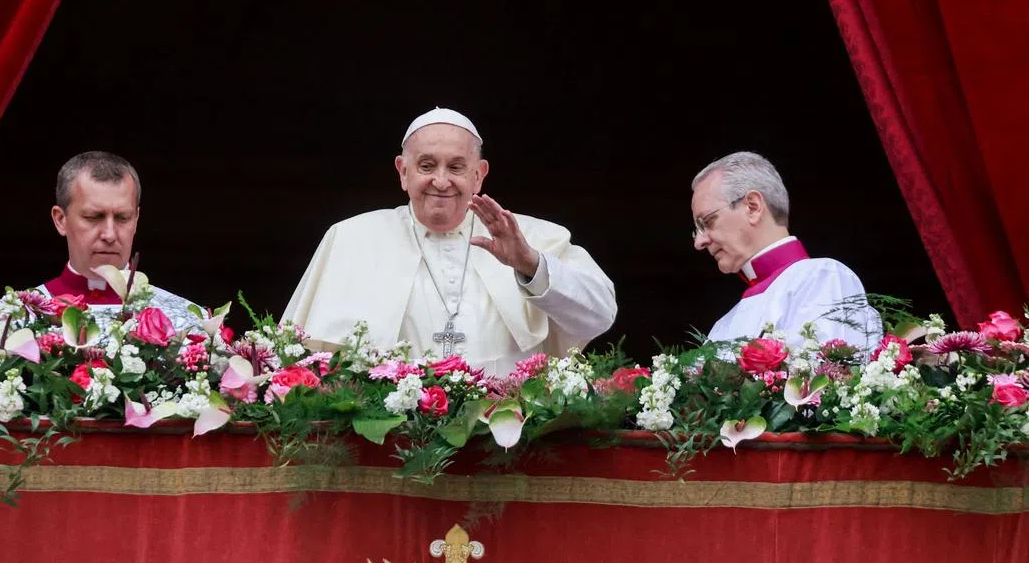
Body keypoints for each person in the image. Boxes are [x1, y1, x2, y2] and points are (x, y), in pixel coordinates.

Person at [283, 107, 617, 376]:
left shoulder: (532, 238)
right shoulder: (352, 238)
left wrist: (529, 264)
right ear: (403, 171)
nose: (440, 181)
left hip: (511, 444)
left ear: (479, 174)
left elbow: (600, 316)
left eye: (456, 167)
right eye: (427, 165)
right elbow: (296, 357)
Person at [690, 151, 882, 352]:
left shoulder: (823, 276)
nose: (699, 242)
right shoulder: (721, 327)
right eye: (697, 229)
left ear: (753, 207)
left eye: (707, 222)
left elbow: (833, 378)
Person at [30, 151, 198, 329]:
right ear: (60, 220)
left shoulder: (188, 322)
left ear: (136, 220)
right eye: (93, 217)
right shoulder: (11, 321)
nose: (109, 234)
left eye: (122, 217)